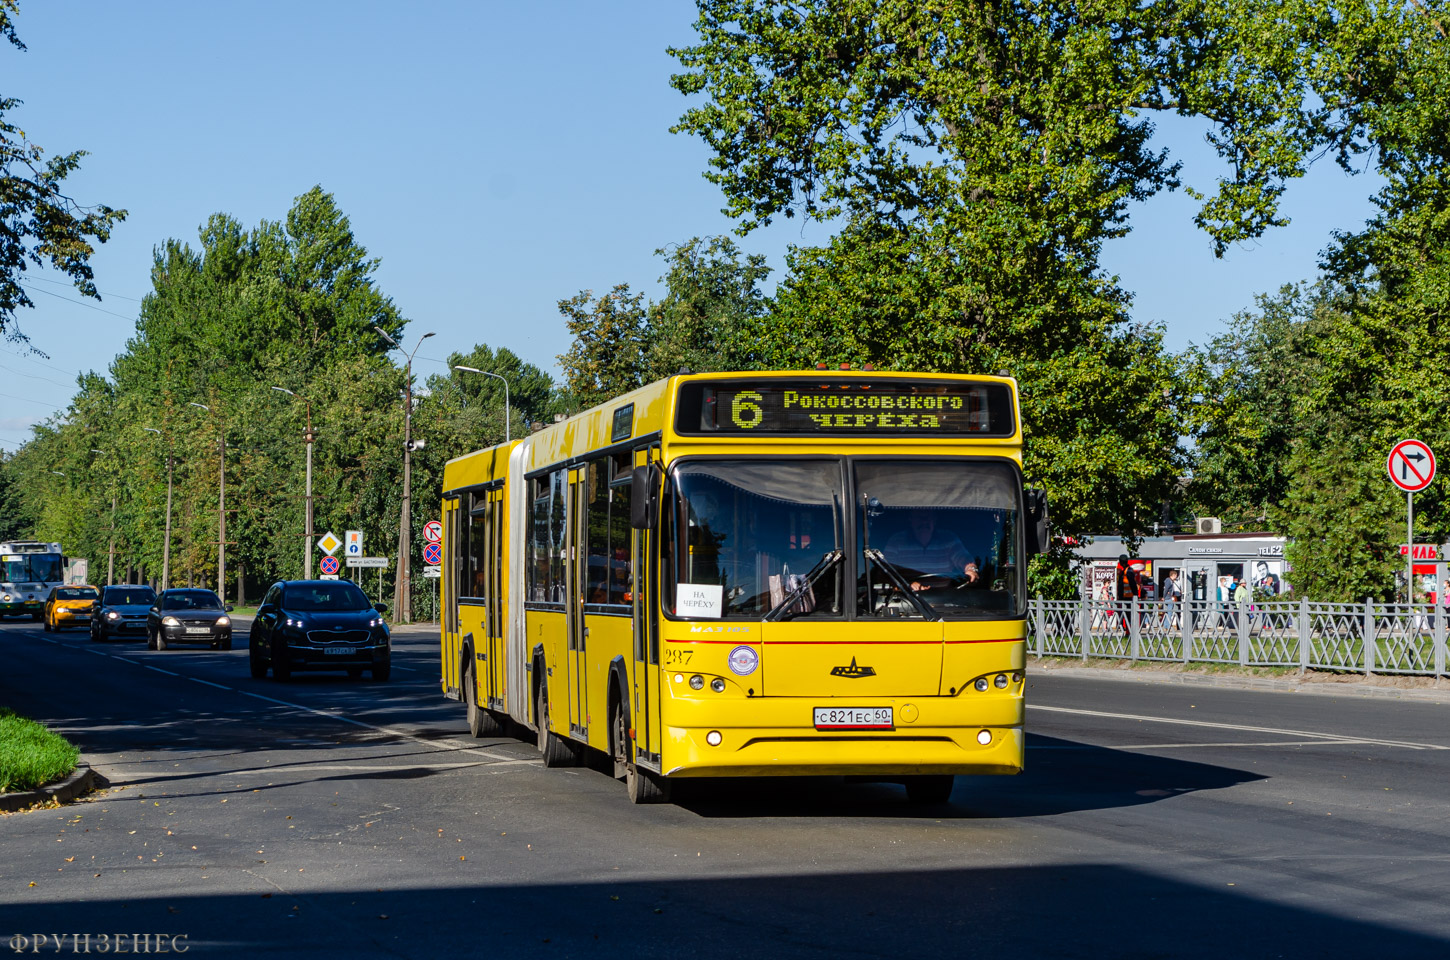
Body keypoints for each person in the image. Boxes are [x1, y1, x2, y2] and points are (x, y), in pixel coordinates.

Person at [883, 509, 979, 592]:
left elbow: (963, 558)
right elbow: (885, 572)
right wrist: (906, 585)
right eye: (919, 517)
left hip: (945, 601)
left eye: (928, 517)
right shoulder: (896, 541)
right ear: (911, 519)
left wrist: (971, 570)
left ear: (935, 520)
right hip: (907, 601)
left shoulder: (948, 539)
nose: (924, 521)